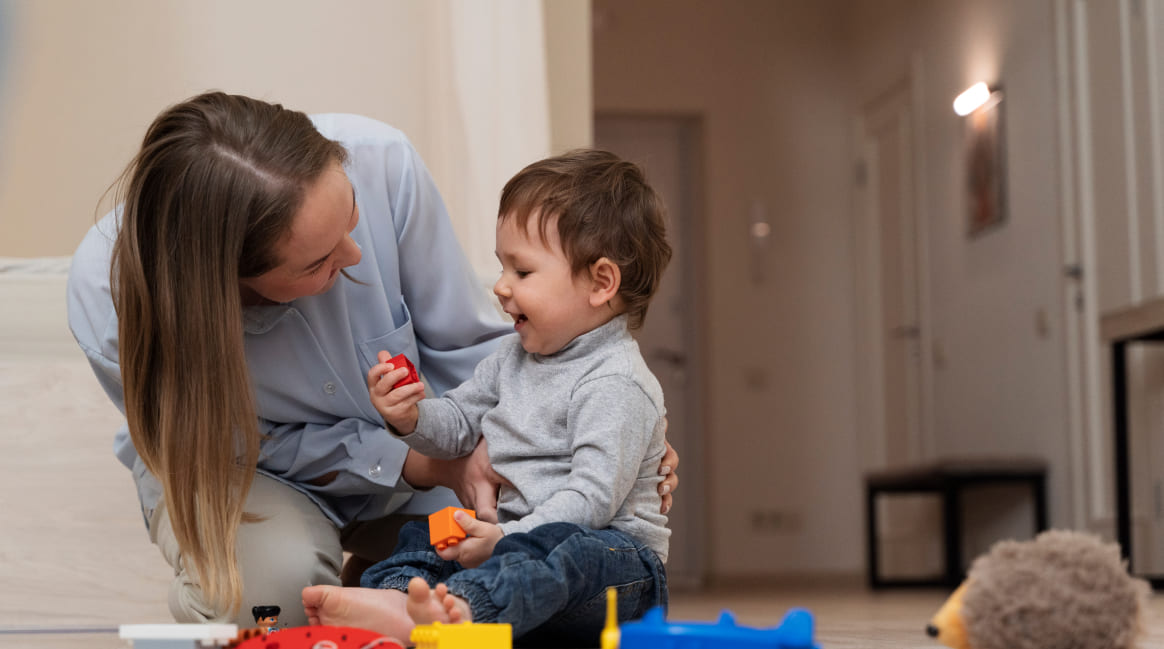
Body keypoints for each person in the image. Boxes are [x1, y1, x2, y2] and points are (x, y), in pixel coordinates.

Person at [65, 91, 680, 628]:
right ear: (232, 282)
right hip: (244, 466)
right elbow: (223, 442)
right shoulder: (109, 301)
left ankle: (400, 594)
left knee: (517, 558)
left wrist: (587, 441)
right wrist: (412, 451)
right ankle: (384, 595)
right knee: (275, 600)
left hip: (515, 513)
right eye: (317, 262)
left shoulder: (381, 160)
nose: (357, 255)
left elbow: (477, 357)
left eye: (352, 219)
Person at [301, 149, 672, 646]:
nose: (499, 287)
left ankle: (466, 614)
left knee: (567, 552)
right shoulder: (512, 358)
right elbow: (456, 425)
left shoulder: (616, 381)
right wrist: (410, 417)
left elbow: (591, 500)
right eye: (502, 268)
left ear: (601, 283)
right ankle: (398, 599)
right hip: (516, 543)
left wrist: (505, 540)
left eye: (522, 272)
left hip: (616, 568)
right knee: (427, 534)